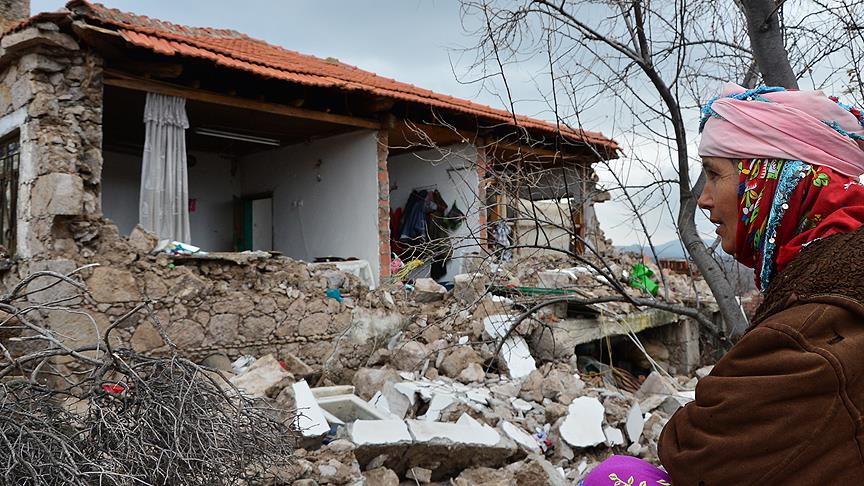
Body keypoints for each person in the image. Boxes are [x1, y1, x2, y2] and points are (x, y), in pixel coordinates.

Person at [582, 84, 864, 485]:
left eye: (715, 174)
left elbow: (700, 453)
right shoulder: (829, 267)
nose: (704, 198)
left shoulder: (815, 319)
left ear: (771, 175)